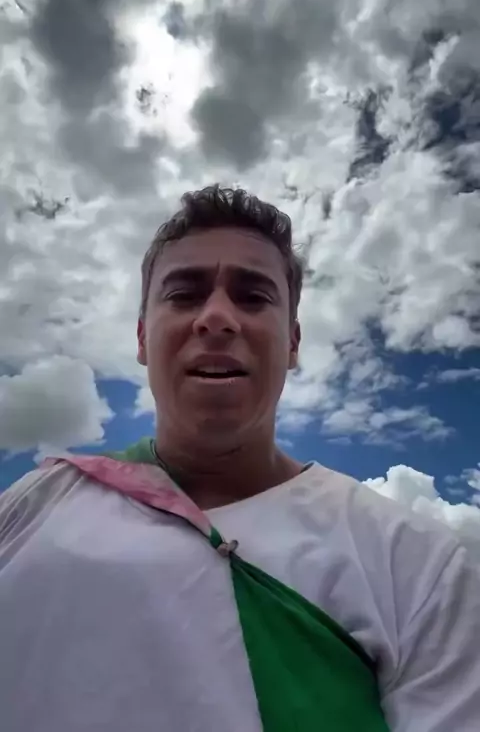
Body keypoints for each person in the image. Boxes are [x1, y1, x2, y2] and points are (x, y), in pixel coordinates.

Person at [1, 184, 479, 732]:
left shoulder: (415, 564)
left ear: (293, 342)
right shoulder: (31, 508)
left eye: (253, 297)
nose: (216, 318)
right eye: (185, 294)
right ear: (142, 338)